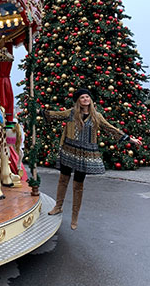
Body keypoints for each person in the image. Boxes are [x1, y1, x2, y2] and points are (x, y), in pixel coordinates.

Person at [41, 88, 142, 230]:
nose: (85, 99)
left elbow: (111, 129)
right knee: (63, 179)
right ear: (78, 101)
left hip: (84, 154)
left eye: (87, 97)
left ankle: (74, 216)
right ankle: (58, 206)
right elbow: (54, 115)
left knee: (78, 185)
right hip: (68, 150)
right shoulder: (71, 113)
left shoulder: (96, 116)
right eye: (82, 97)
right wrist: (38, 111)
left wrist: (130, 139)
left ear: (90, 100)